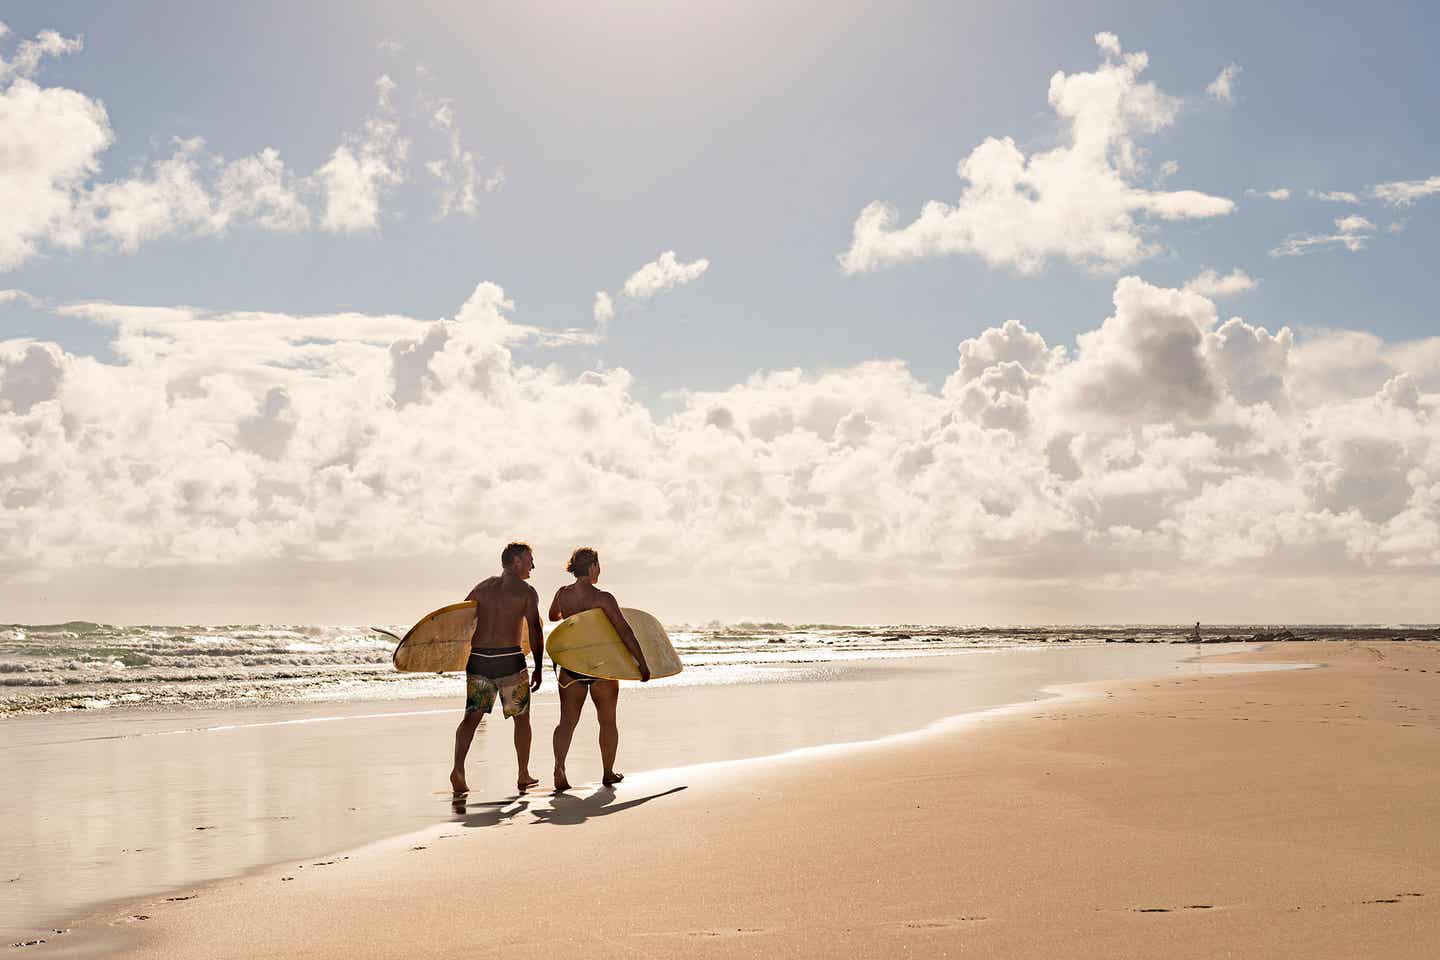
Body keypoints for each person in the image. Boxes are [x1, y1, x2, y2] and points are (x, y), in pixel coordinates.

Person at [549, 547, 650, 791]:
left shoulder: (562, 594)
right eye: (598, 565)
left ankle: (559, 768)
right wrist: (642, 663)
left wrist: (574, 615)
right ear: (593, 567)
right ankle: (607, 773)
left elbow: (554, 616)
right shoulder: (603, 598)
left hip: (572, 667)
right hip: (601, 668)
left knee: (567, 721)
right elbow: (624, 631)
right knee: (607, 721)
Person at [450, 541, 545, 795]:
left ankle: (458, 770)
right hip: (509, 661)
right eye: (529, 560)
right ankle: (523, 774)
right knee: (521, 718)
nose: (532, 565)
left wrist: (449, 656)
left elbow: (462, 620)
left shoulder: (482, 588)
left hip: (480, 660)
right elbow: (535, 629)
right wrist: (538, 666)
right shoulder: (526, 592)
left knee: (472, 716)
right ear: (516, 562)